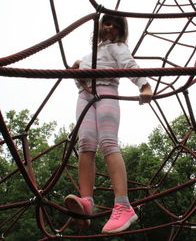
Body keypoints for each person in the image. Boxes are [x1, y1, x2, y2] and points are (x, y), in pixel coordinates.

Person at [64, 14, 153, 234]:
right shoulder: (91, 54)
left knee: (107, 143)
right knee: (85, 143)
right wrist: (78, 68)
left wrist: (144, 85)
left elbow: (128, 65)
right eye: (106, 22)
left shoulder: (117, 47)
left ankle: (123, 205)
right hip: (84, 95)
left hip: (106, 92)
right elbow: (82, 77)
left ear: (122, 31)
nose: (109, 27)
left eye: (116, 24)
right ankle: (86, 203)